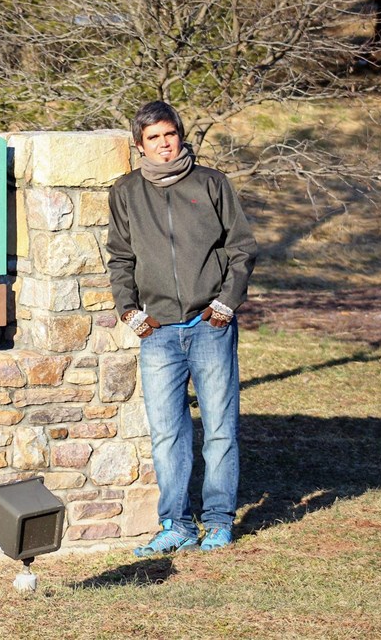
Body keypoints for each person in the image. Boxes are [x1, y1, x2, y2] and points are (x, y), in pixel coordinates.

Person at [106, 101, 257, 555]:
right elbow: (120, 257)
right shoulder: (127, 191)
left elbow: (242, 248)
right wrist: (129, 310)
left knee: (219, 428)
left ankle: (218, 521)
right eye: (153, 138)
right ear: (140, 145)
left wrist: (226, 304)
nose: (163, 144)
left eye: (169, 134)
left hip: (210, 325)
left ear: (181, 135)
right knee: (168, 433)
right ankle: (176, 524)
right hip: (158, 332)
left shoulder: (212, 183)